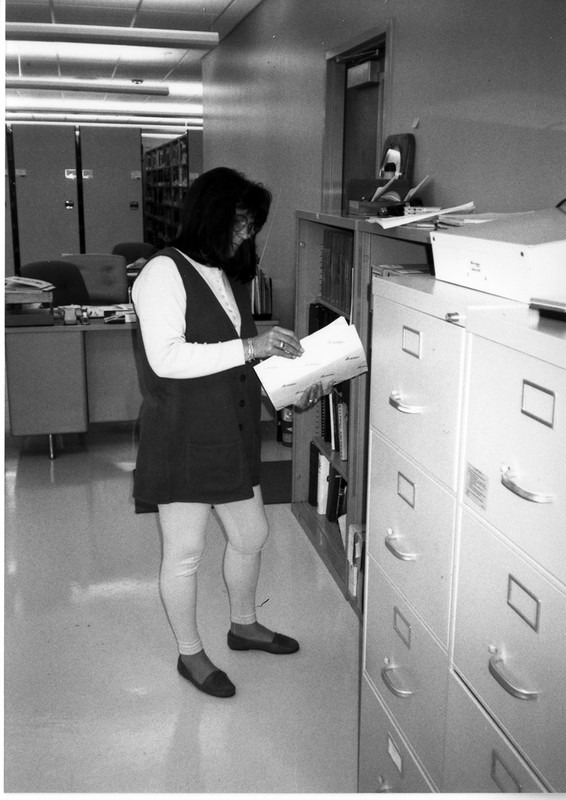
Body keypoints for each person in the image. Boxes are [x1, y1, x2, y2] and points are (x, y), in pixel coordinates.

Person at [132, 166, 326, 698]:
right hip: (183, 435)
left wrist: (289, 391)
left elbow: (238, 360)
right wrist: (253, 346)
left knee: (251, 534)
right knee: (185, 550)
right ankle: (190, 654)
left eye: (252, 224)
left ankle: (243, 625)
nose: (246, 234)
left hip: (229, 430)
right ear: (210, 214)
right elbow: (167, 357)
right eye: (240, 222)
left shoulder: (225, 274)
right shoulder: (161, 274)